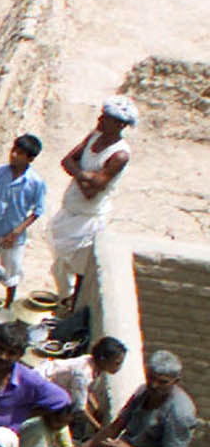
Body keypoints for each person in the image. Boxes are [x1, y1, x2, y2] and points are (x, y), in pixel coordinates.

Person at [77, 350, 197, 447]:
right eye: (151, 378)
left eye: (162, 382)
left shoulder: (179, 414)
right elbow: (115, 427)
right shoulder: (143, 392)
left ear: (175, 382)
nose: (154, 385)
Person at [50, 96, 134, 305]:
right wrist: (85, 176)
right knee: (60, 261)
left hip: (88, 217)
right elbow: (67, 161)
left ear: (119, 125)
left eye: (106, 118)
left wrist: (80, 173)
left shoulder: (119, 155)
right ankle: (64, 299)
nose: (100, 120)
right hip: (71, 209)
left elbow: (92, 192)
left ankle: (74, 305)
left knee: (81, 267)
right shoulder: (94, 137)